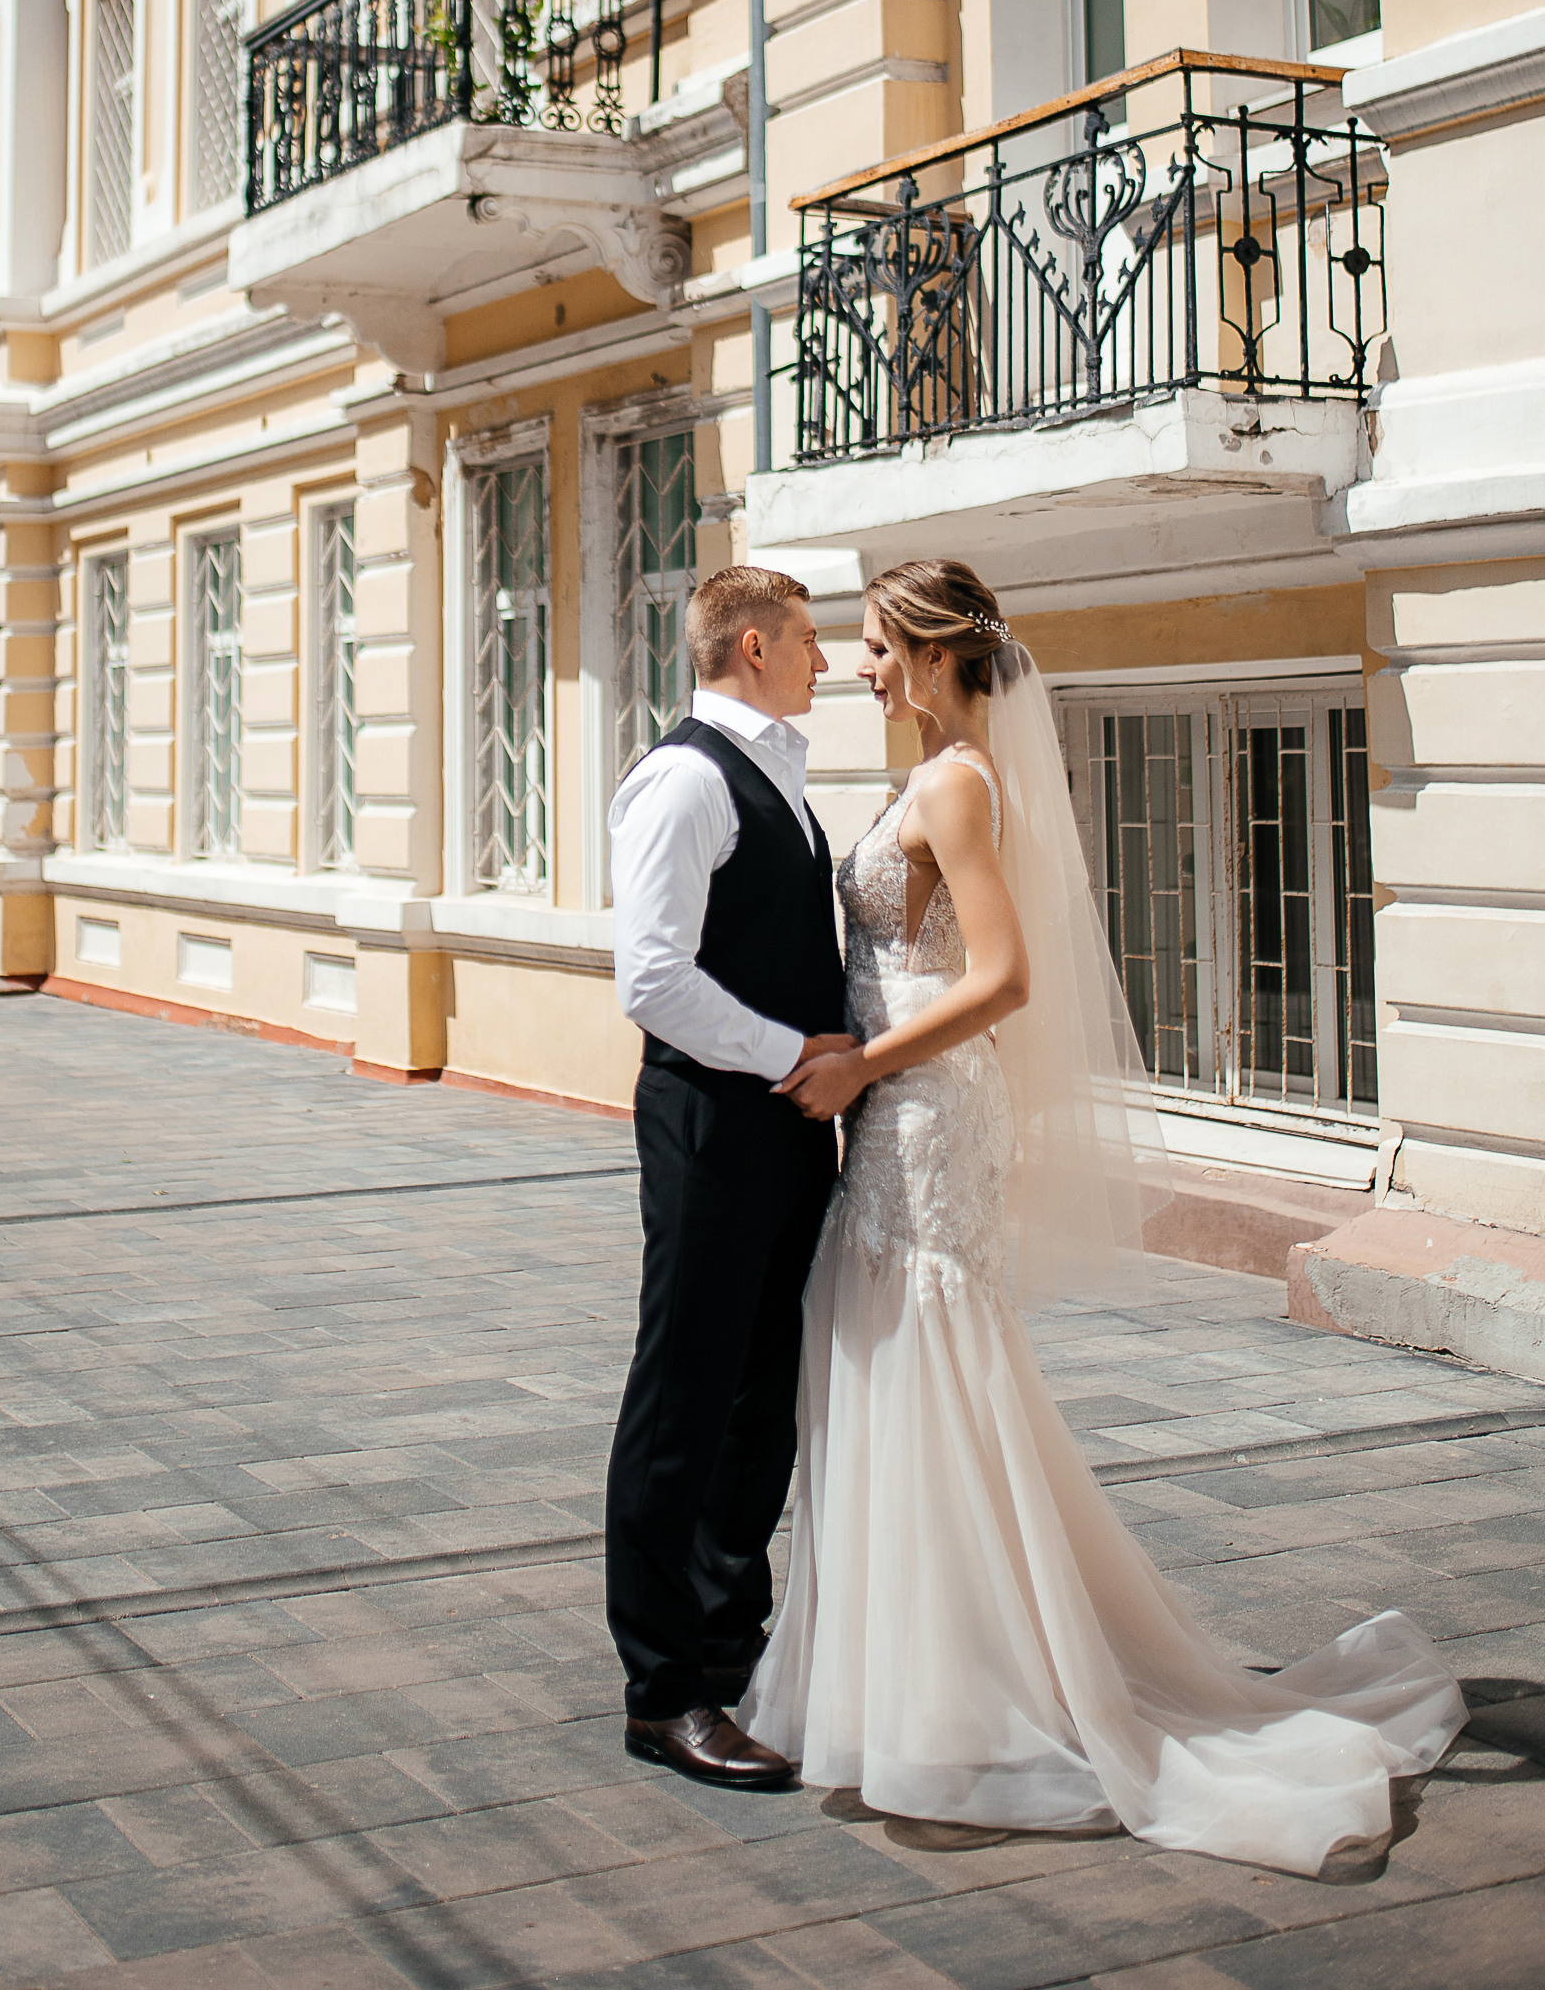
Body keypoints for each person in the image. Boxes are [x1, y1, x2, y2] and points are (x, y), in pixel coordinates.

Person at [739, 558, 1467, 1879]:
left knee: (926, 1362)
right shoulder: (932, 770)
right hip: (898, 1109)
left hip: (924, 1113)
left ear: (938, 652)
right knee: (899, 1362)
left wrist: (864, 1065)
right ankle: (925, 1674)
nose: (863, 666)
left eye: (880, 647)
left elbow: (1005, 978)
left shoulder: (958, 782)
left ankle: (975, 1689)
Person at [603, 564, 861, 1789]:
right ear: (751, 646)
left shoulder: (776, 777)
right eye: (807, 641)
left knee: (760, 1397)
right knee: (684, 1398)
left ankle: (726, 1647)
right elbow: (649, 979)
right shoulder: (684, 778)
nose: (822, 660)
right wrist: (788, 1057)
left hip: (783, 1123)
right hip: (713, 1116)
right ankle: (663, 1690)